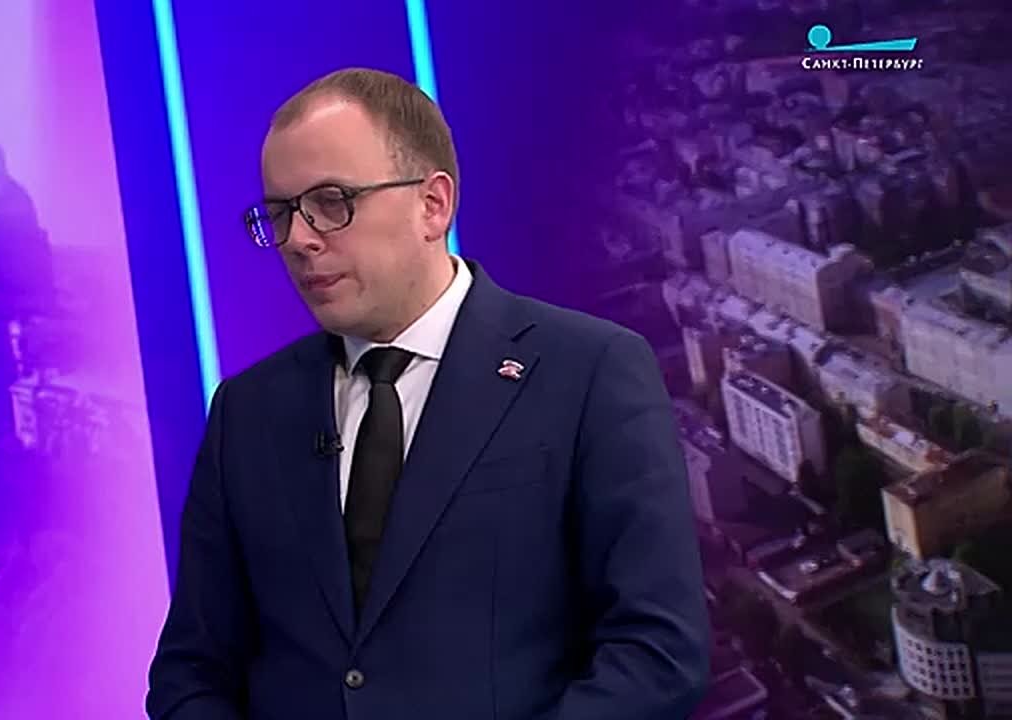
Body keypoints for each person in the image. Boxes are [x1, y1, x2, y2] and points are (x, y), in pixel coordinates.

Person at [147, 67, 710, 719]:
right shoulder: (246, 412)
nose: (299, 239)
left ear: (433, 205)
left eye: (331, 201)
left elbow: (657, 653)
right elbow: (191, 670)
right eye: (280, 213)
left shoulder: (590, 371)